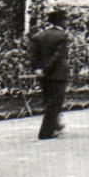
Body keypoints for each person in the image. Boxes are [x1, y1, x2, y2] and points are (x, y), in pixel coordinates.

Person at [28, 8, 72, 141]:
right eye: (65, 20)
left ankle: (56, 126)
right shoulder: (62, 36)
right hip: (57, 75)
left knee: (48, 101)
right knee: (55, 103)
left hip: (43, 75)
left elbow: (33, 55)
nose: (67, 22)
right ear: (60, 21)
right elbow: (57, 56)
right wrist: (46, 69)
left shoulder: (39, 36)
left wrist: (38, 69)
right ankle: (46, 132)